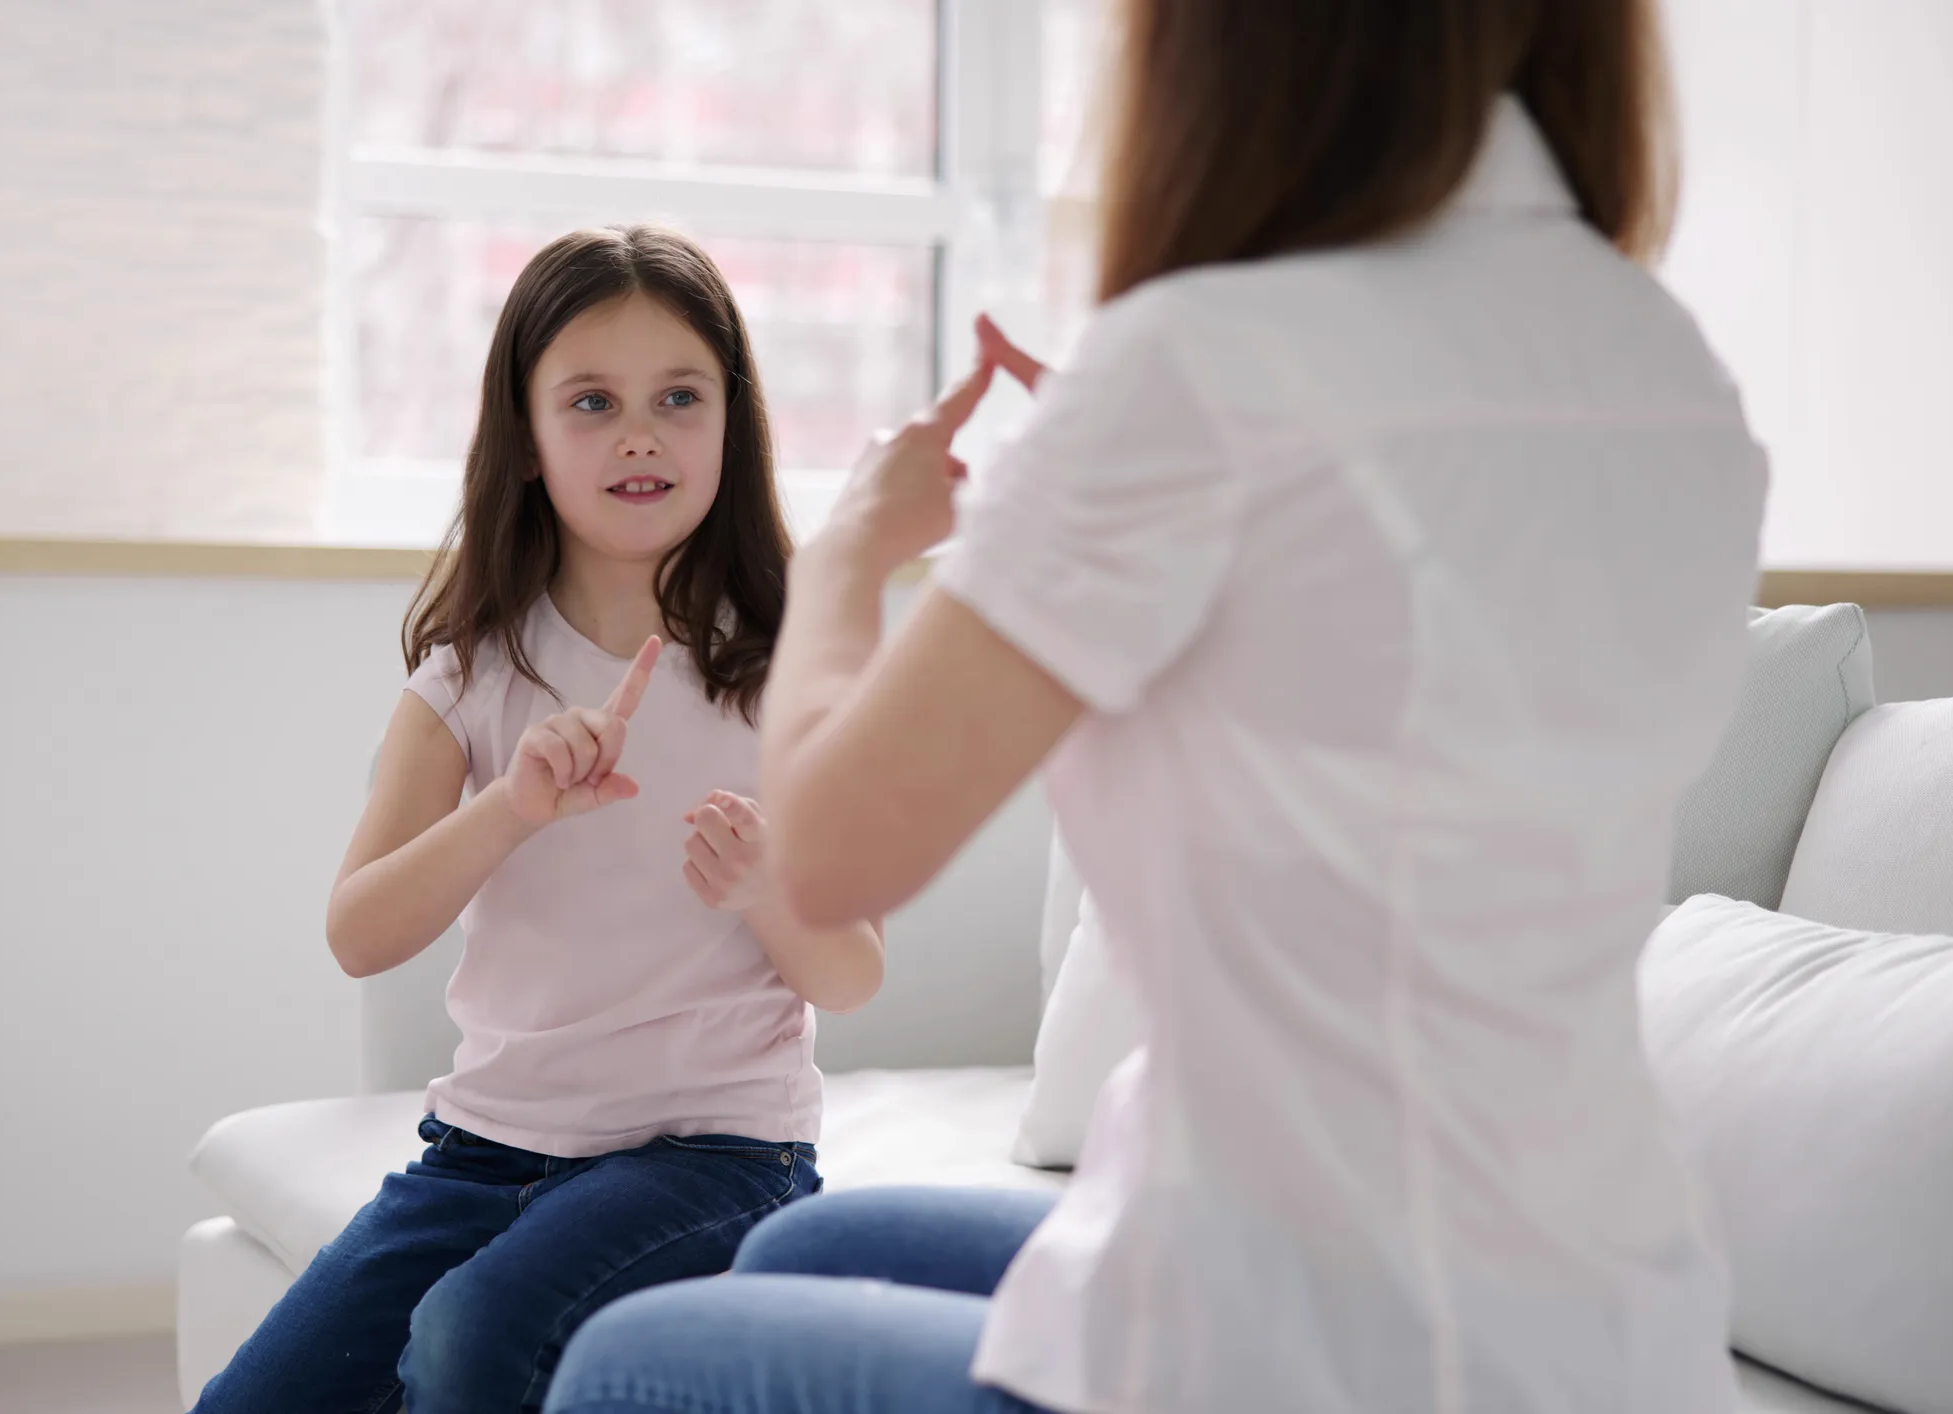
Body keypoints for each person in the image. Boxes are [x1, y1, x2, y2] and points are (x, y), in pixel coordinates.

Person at [541, 1, 1769, 1412]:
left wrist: (852, 555)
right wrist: (1108, 504)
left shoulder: (1209, 361)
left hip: (1310, 1352)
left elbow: (826, 851)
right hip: (1597, 1317)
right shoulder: (1669, 365)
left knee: (625, 1365)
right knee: (815, 1238)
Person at [191, 225, 883, 1414]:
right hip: (482, 1157)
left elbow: (855, 972)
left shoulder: (789, 677)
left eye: (679, 396)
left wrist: (766, 890)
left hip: (718, 1159)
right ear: (524, 439)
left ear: (734, 421)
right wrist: (509, 809)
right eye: (592, 401)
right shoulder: (469, 679)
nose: (640, 433)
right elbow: (359, 934)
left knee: (472, 1331)